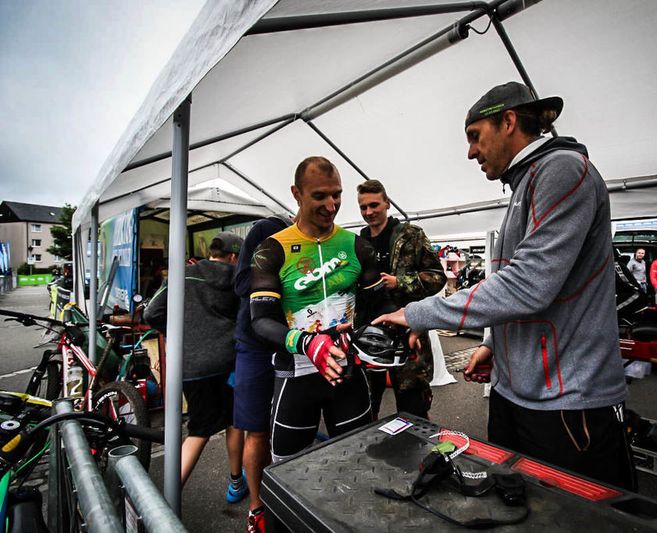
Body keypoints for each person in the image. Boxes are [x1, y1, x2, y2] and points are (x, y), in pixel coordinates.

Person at [375, 81, 637, 490]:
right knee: (517, 506)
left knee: (573, 516)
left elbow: (528, 284)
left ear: (509, 121)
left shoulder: (563, 169)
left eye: (475, 136)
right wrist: (493, 344)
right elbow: (512, 284)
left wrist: (416, 313)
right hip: (517, 395)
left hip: (567, 403)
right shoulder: (524, 184)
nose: (470, 152)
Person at [248, 156, 395, 464]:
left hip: (347, 372)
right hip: (297, 375)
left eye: (336, 195)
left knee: (360, 462)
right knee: (289, 470)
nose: (331, 205)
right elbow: (261, 321)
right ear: (296, 194)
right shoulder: (272, 249)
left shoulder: (356, 245)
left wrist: (399, 328)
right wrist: (308, 343)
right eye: (320, 196)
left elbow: (380, 303)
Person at [144, 232, 247, 499]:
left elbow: (151, 313)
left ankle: (169, 499)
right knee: (231, 423)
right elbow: (246, 320)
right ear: (233, 256)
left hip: (188, 364)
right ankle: (167, 502)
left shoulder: (182, 275)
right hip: (227, 363)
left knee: (202, 427)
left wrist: (181, 332)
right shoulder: (238, 278)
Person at [356, 179, 446, 420]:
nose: (369, 212)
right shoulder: (358, 241)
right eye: (363, 207)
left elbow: (438, 277)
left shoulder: (410, 235)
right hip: (370, 336)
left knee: (413, 411)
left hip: (407, 334)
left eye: (374, 205)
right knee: (366, 410)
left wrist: (400, 282)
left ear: (387, 203)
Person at [232, 216, 292, 532]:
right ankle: (256, 509)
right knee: (256, 431)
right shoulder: (267, 229)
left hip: (293, 346)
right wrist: (284, 276)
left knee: (290, 430)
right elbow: (242, 283)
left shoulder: (319, 240)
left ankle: (289, 502)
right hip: (255, 348)